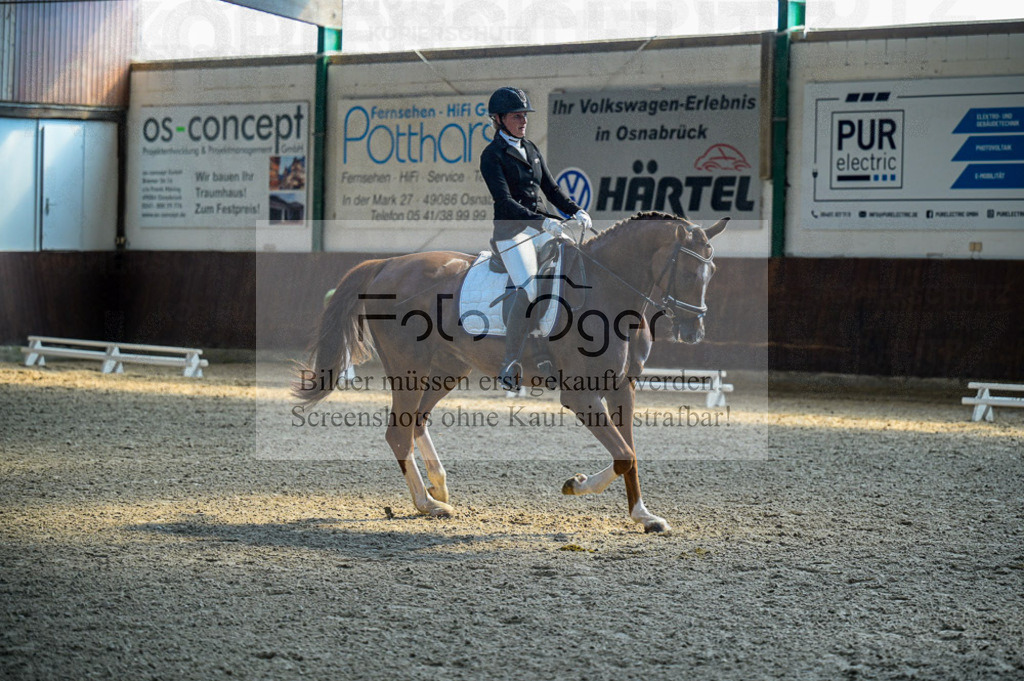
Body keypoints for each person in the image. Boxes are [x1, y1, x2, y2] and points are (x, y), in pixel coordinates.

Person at [479, 86, 592, 391]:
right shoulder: (492, 155)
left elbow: (551, 190)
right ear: (499, 119)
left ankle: (550, 349)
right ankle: (510, 362)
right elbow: (504, 202)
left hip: (542, 227)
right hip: (512, 232)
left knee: (568, 270)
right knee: (529, 288)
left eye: (525, 115)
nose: (524, 120)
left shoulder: (530, 148)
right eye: (516, 116)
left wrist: (575, 210)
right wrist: (542, 222)